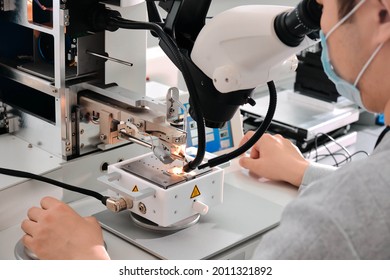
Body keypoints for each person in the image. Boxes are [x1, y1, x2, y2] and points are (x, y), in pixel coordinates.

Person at [21, 0, 390, 259]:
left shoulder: (333, 223)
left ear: (382, 13)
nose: (322, 30)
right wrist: (303, 172)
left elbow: (360, 208)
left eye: (323, 9)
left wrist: (88, 263)